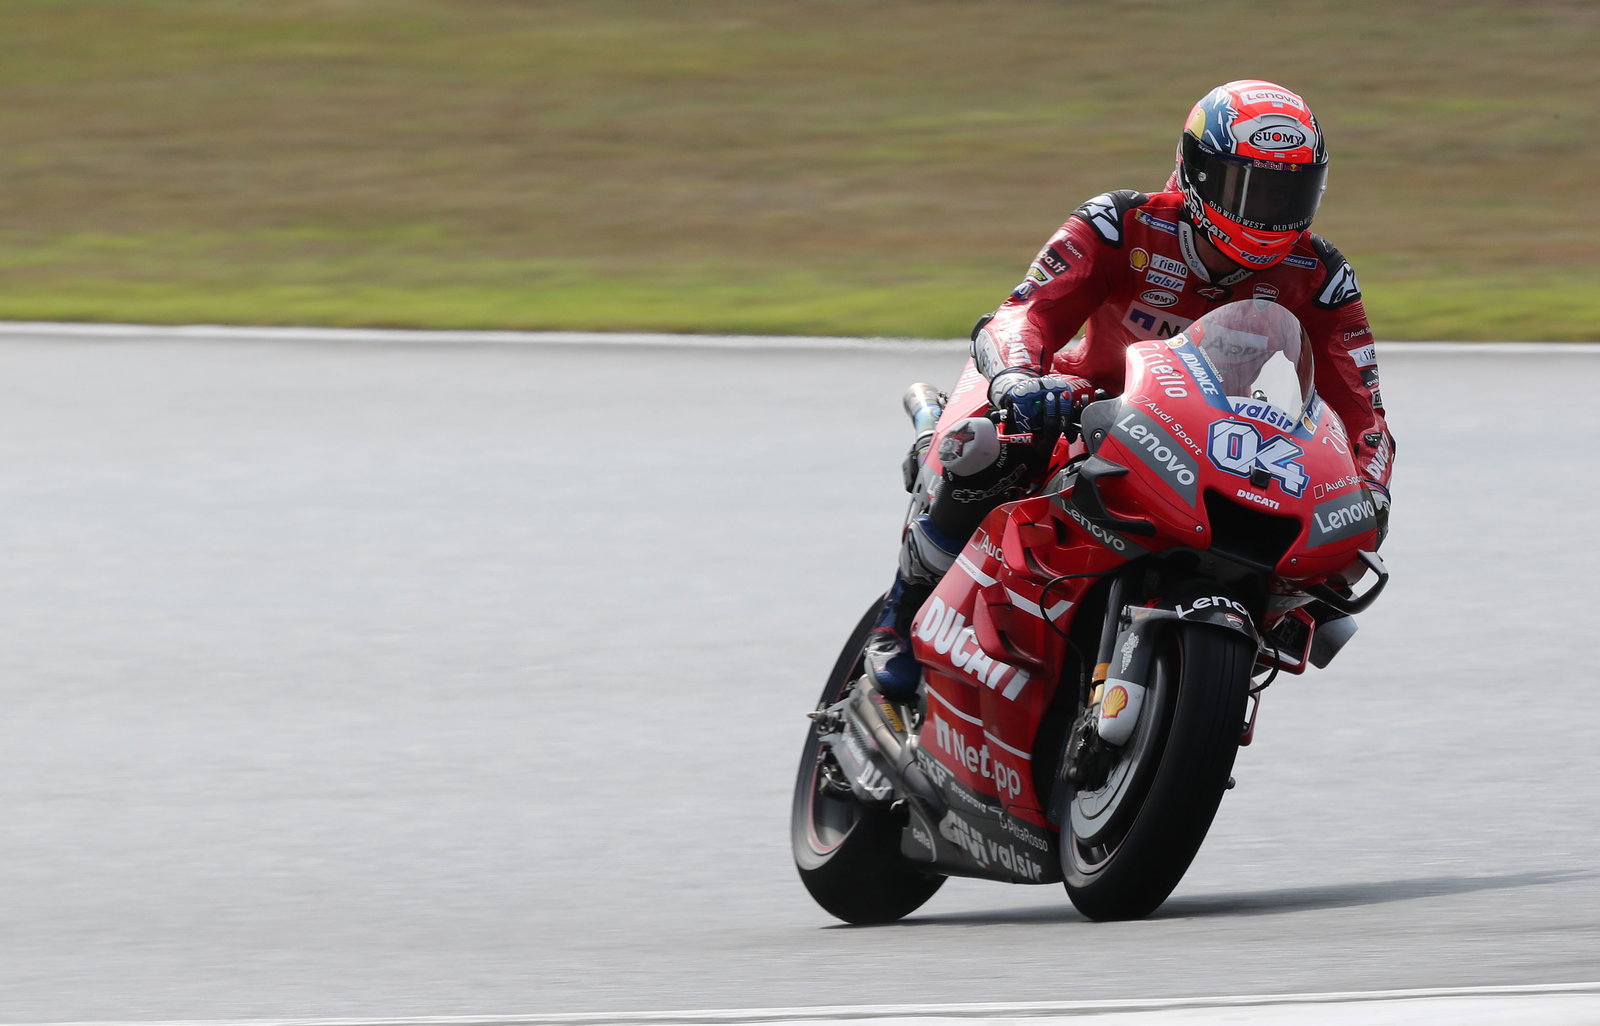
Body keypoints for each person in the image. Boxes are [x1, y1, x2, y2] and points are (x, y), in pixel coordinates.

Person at [865, 79, 1395, 697]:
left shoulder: (1320, 275)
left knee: (1314, 583)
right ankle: (899, 620)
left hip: (1207, 435)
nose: (1268, 213)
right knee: (979, 447)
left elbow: (1364, 410)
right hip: (1076, 404)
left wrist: (1371, 492)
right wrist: (1017, 377)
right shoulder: (1120, 224)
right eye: (1250, 188)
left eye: (1288, 193)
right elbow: (1023, 313)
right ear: (1196, 172)